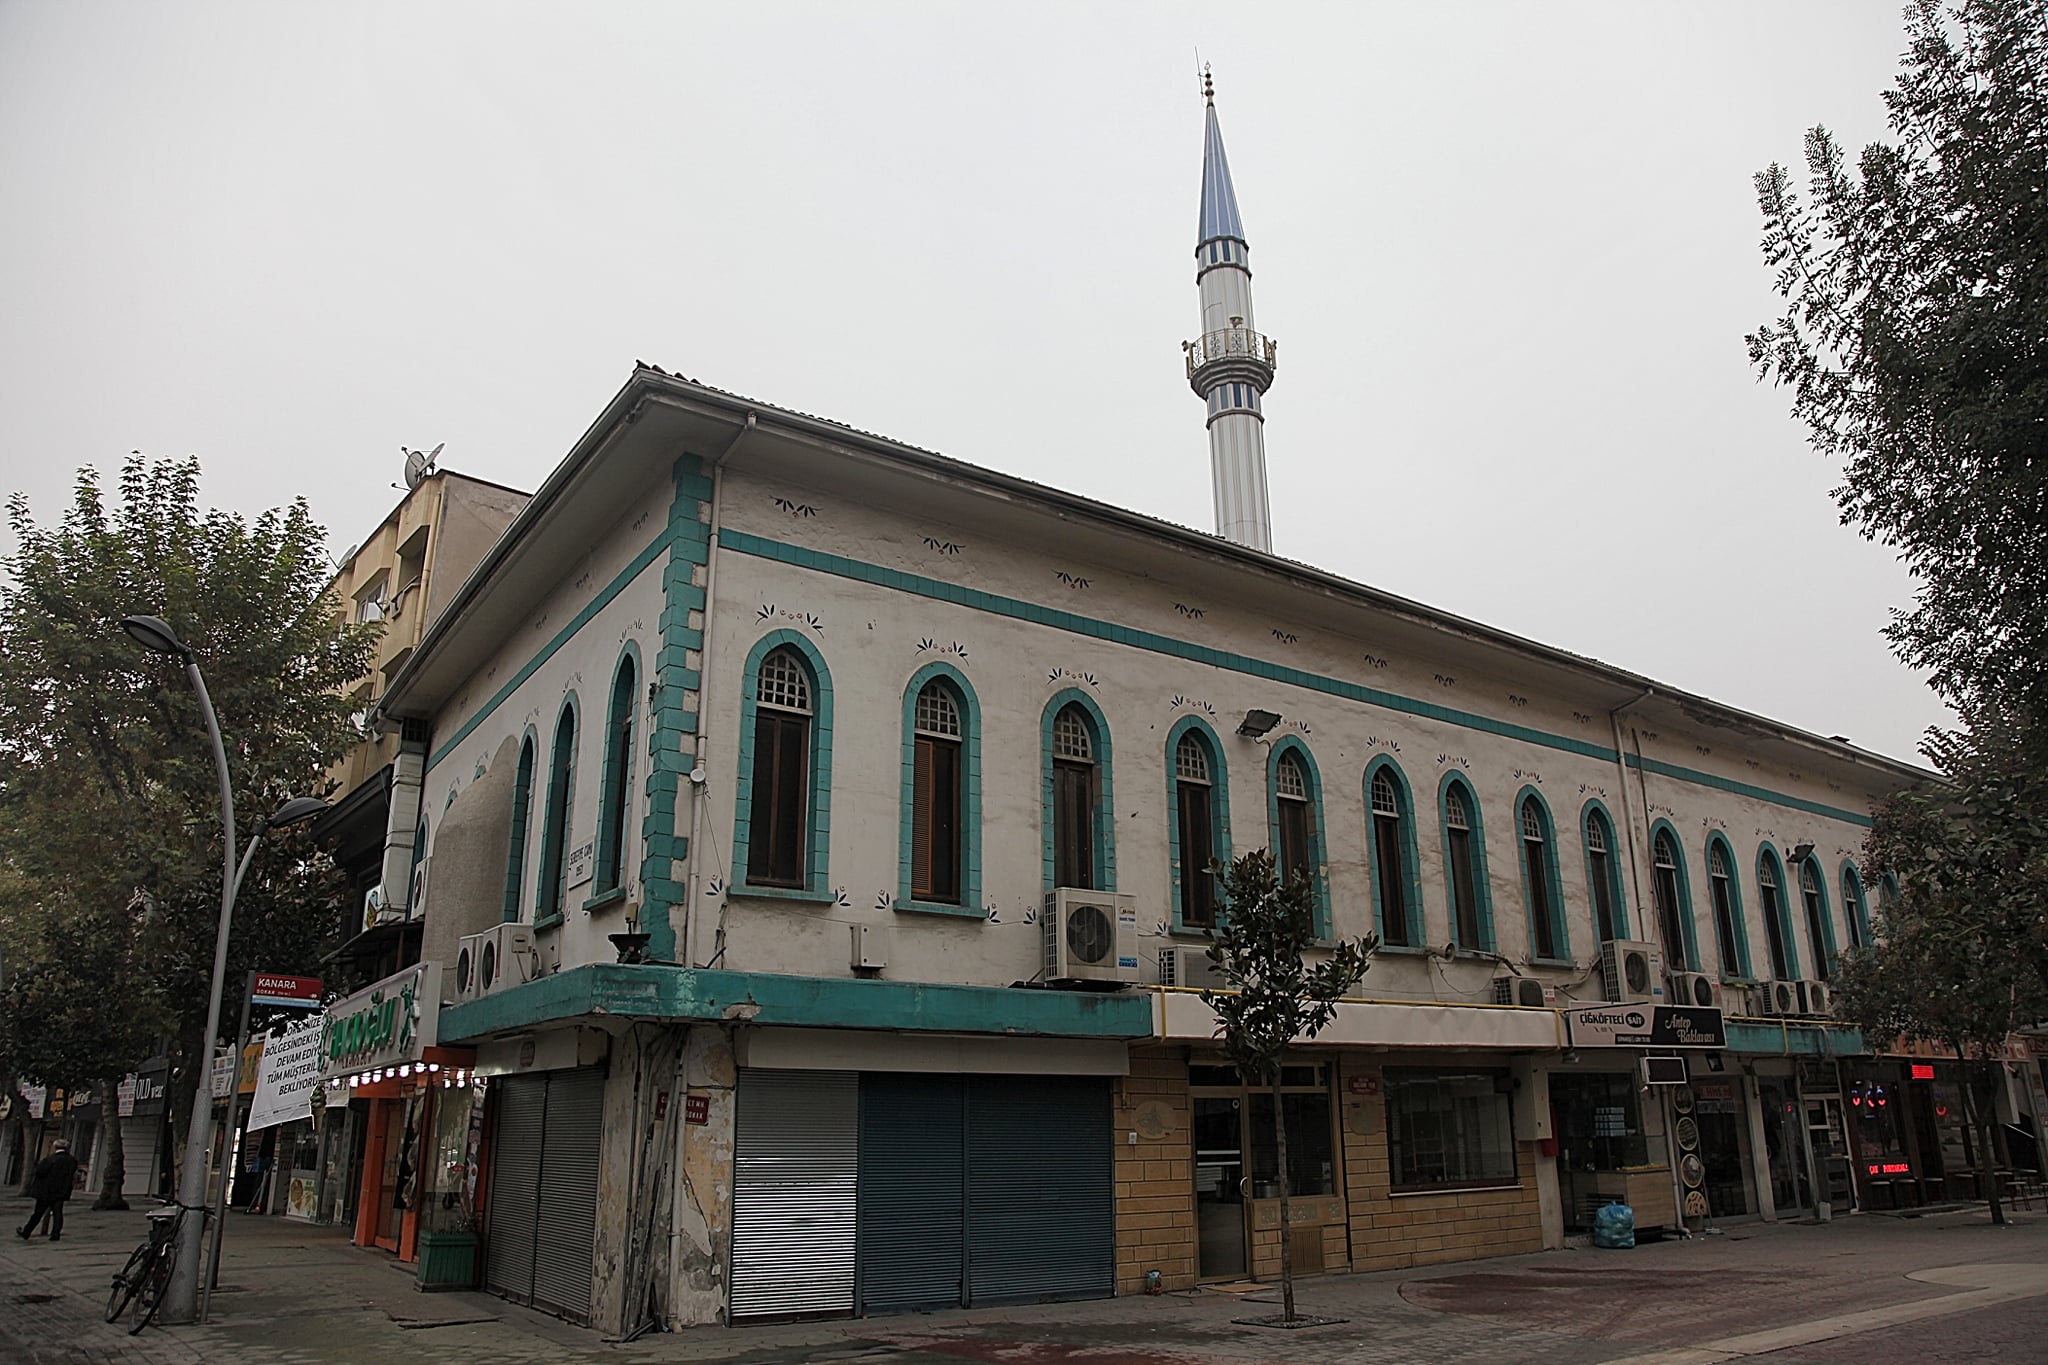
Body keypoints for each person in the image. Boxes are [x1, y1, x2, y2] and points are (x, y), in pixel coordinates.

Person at [17, 1139, 81, 1242]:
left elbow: (40, 1172)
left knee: (38, 1213)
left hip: (46, 1191)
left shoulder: (50, 1159)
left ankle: (27, 1232)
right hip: (61, 1191)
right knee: (57, 1213)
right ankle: (55, 1234)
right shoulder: (72, 1161)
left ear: (55, 1148)